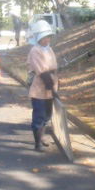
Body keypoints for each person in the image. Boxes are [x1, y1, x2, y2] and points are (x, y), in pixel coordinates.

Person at [26, 20, 59, 152]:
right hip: (40, 88)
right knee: (39, 115)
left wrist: (55, 88)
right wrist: (52, 88)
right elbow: (42, 71)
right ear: (38, 38)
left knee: (47, 115)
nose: (47, 40)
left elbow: (53, 68)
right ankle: (37, 143)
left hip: (50, 86)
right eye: (44, 38)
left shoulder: (49, 49)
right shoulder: (35, 51)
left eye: (48, 37)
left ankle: (42, 136)